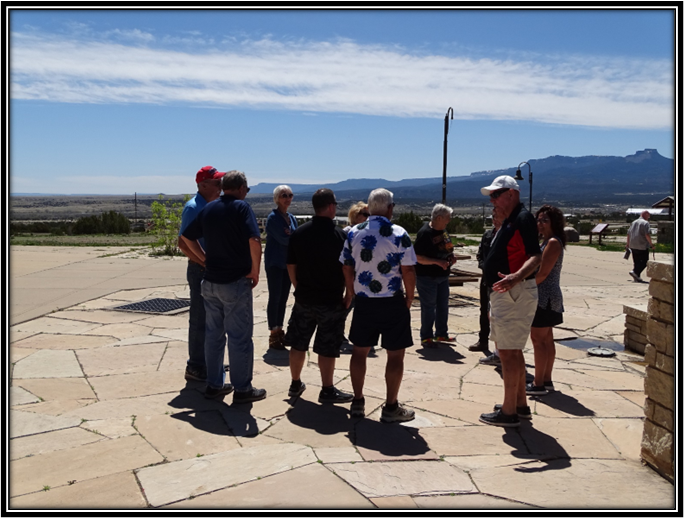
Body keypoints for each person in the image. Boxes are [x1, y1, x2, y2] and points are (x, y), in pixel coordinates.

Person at [181, 171, 267, 403]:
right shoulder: (241, 208)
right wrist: (255, 270)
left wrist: (205, 259)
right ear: (240, 188)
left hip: (209, 282)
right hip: (233, 282)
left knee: (214, 336)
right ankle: (242, 389)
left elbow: (186, 238)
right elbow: (254, 240)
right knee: (239, 337)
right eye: (247, 190)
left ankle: (214, 384)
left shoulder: (208, 208)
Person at [341, 188, 417, 423]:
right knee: (395, 355)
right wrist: (410, 297)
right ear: (390, 208)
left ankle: (357, 401)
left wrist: (351, 289)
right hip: (392, 301)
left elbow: (346, 264)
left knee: (359, 351)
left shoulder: (354, 232)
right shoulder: (399, 233)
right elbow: (409, 268)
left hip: (364, 301)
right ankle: (391, 406)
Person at [478, 176, 541, 428]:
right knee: (513, 350)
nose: (492, 199)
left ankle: (508, 411)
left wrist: (516, 277)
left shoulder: (522, 219)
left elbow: (535, 254)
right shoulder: (512, 220)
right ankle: (519, 404)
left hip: (513, 293)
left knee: (507, 352)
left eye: (496, 194)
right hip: (508, 292)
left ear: (512, 194)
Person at [285, 189, 353, 403]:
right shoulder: (340, 236)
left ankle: (295, 383)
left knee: (298, 343)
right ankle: (327, 389)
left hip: (304, 298)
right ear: (331, 206)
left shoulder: (299, 233)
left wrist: (298, 286)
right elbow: (347, 269)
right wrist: (349, 293)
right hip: (331, 301)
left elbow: (290, 264)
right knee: (327, 346)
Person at [177, 166, 225, 382]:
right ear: (203, 185)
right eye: (216, 182)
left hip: (210, 268)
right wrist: (204, 262)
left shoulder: (211, 205)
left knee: (214, 317)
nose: (220, 186)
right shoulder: (193, 208)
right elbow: (183, 242)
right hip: (200, 269)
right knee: (199, 318)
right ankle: (195, 365)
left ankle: (208, 360)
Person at [527, 205, 566, 396]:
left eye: (544, 220)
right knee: (547, 339)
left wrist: (521, 285)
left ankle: (538, 383)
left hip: (544, 297)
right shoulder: (547, 242)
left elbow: (543, 274)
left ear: (554, 223)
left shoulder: (552, 243)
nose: (540, 223)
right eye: (539, 220)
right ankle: (546, 379)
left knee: (538, 340)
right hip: (548, 296)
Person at [414, 203, 457, 347]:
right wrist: (437, 262)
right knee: (428, 307)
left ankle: (441, 334)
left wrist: (451, 257)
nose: (449, 221)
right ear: (439, 218)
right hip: (427, 277)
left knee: (443, 306)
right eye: (447, 218)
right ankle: (426, 336)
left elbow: (448, 248)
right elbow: (418, 257)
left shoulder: (443, 231)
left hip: (442, 276)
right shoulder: (424, 233)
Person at [264, 185, 298, 350]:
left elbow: (294, 237)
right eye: (284, 195)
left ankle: (280, 330)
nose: (287, 198)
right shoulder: (273, 218)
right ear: (277, 198)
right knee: (275, 297)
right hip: (275, 263)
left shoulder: (291, 218)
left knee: (283, 298)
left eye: (290, 195)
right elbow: (286, 240)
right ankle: (273, 332)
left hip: (288, 264)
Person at [472, 206, 502, 357]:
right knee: (484, 310)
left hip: (499, 280)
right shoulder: (487, 235)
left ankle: (500, 348)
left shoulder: (506, 235)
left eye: (498, 217)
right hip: (486, 279)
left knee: (498, 313)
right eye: (493, 217)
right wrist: (485, 267)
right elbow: (479, 255)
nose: (495, 220)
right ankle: (482, 340)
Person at [626, 210, 652, 283]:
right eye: (648, 216)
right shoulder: (645, 223)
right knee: (645, 261)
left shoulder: (634, 222)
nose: (648, 217)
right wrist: (651, 244)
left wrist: (628, 244)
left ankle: (637, 276)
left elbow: (628, 234)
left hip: (633, 244)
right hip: (642, 244)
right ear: (645, 215)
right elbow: (647, 234)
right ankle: (635, 271)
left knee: (636, 261)